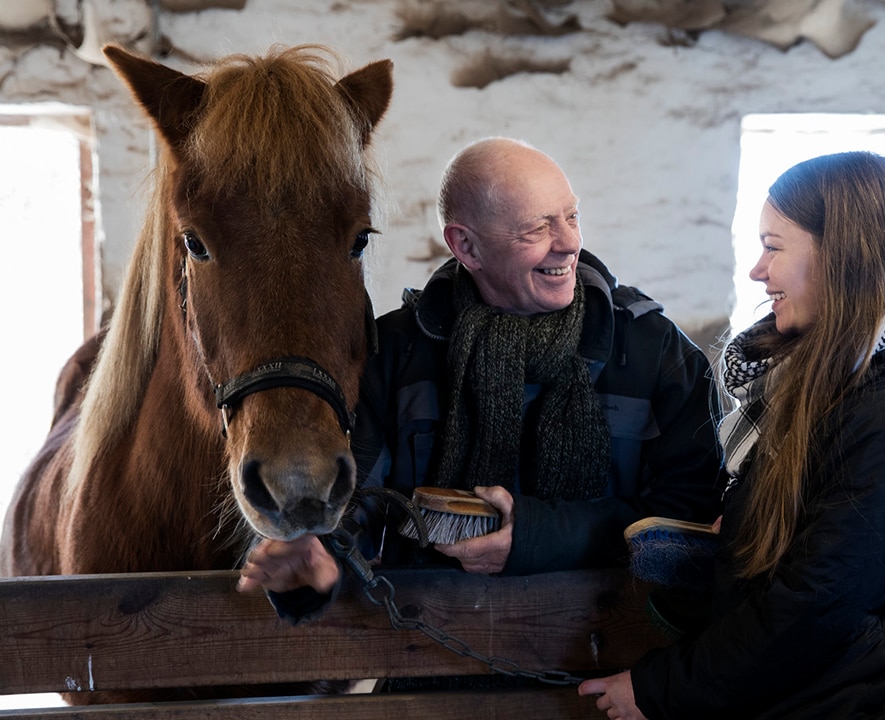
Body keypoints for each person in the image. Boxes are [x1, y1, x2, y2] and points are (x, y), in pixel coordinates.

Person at [236, 137, 724, 617]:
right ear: (465, 245)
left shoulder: (652, 349)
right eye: (537, 228)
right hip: (432, 653)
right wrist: (320, 558)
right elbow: (358, 502)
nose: (570, 243)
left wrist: (536, 537)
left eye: (571, 216)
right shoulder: (399, 351)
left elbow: (689, 513)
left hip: (604, 658)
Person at [578, 151, 885, 719]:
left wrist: (661, 688)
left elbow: (811, 611)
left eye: (774, 246)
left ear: (840, 257)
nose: (759, 271)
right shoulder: (825, 389)